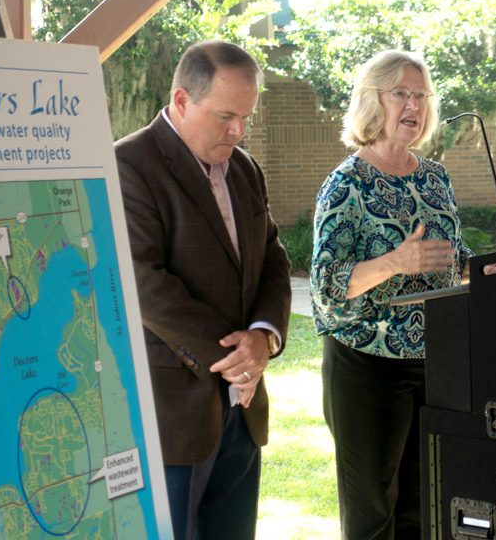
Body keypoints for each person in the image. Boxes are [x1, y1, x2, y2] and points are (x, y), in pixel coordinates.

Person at [115, 40, 292, 540]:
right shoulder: (129, 165)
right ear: (181, 101)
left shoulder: (245, 169)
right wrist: (235, 356)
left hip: (243, 406)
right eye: (225, 116)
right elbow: (143, 281)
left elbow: (274, 260)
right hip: (174, 412)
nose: (237, 131)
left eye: (245, 118)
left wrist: (263, 336)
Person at [311, 50, 472, 539]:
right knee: (372, 517)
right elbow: (325, 288)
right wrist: (393, 264)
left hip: (435, 363)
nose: (414, 105)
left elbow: (453, 257)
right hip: (366, 367)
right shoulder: (345, 184)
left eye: (421, 95)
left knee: (422, 510)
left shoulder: (434, 177)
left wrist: (492, 271)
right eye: (400, 92)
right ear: (372, 101)